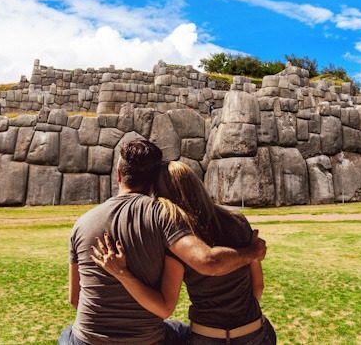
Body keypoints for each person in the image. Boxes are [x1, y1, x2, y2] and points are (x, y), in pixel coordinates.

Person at [60, 140, 266, 345]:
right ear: (153, 181)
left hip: (85, 340)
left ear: (118, 174)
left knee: (68, 333)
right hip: (149, 340)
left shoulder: (81, 223)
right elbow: (205, 264)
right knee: (181, 331)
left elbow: (74, 300)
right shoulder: (165, 217)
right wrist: (251, 252)